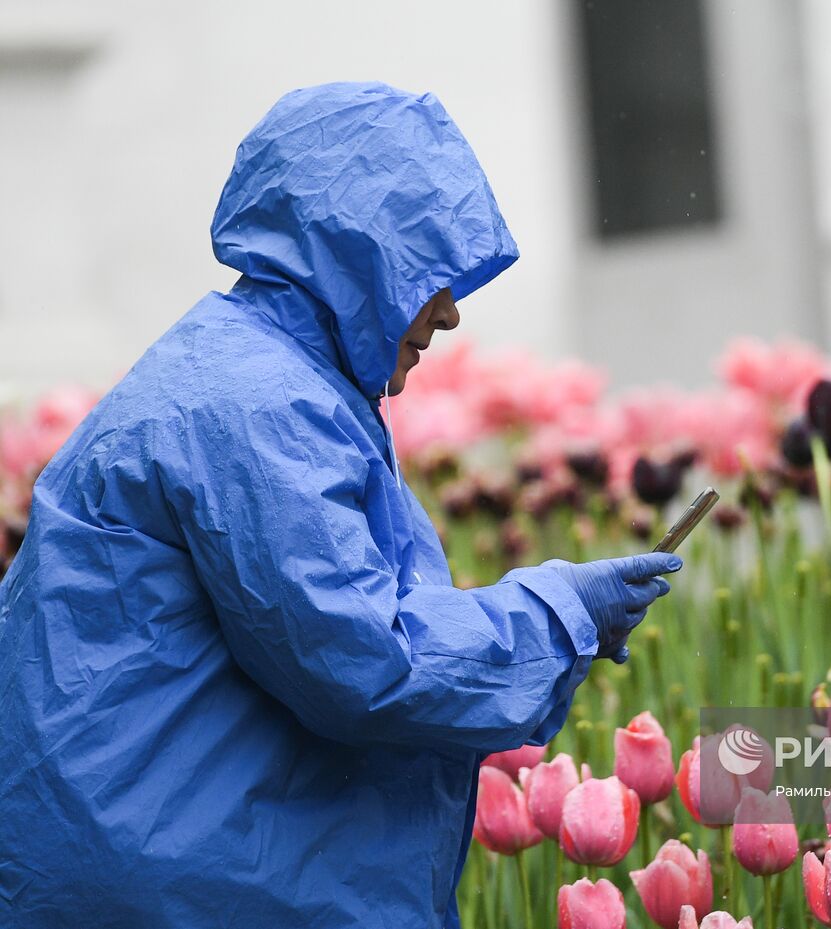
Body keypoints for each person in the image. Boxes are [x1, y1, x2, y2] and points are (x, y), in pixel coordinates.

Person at [0, 81, 681, 927]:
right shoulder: (257, 406)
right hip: (186, 888)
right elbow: (362, 661)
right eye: (429, 271)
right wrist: (559, 613)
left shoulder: (253, 375)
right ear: (356, 256)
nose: (450, 313)